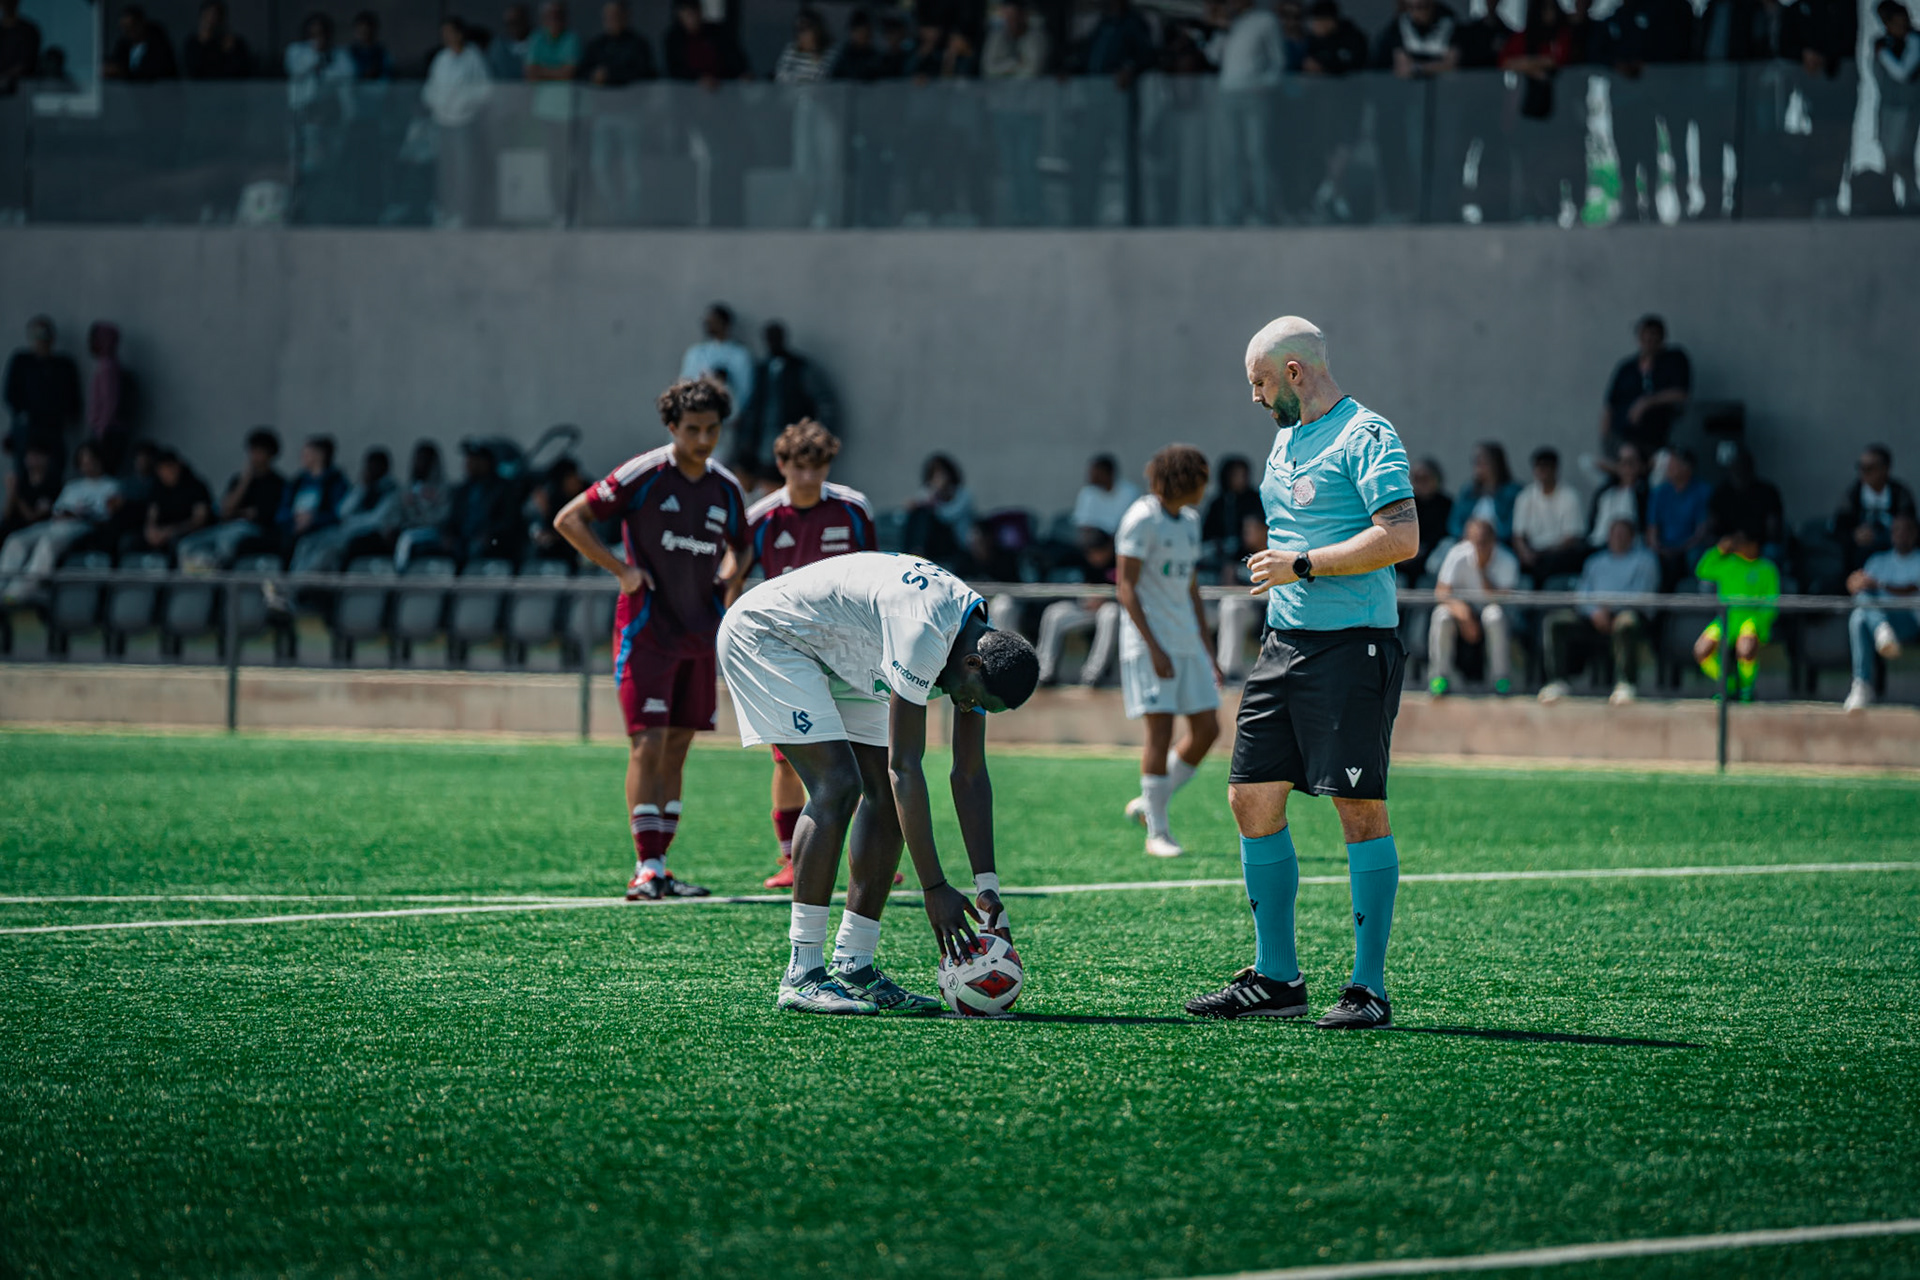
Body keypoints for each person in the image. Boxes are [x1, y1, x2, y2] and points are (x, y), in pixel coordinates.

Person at [1186, 316, 1418, 1030]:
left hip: (1353, 649)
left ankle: (1368, 988)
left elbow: (1402, 537)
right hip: (1283, 646)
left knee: (1360, 812)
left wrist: (1305, 565)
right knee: (1250, 798)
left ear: (1294, 372)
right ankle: (1277, 978)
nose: (1254, 398)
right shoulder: (1285, 438)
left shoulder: (1367, 436)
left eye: (1259, 382)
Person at [715, 550, 1039, 1014]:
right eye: (970, 701)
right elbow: (905, 766)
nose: (966, 708)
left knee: (886, 800)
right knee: (838, 784)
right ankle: (802, 973)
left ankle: (854, 964)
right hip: (770, 636)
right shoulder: (924, 633)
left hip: (842, 647)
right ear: (970, 664)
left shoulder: (979, 646)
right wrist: (934, 889)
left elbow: (969, 774)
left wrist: (988, 887)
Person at [552, 378, 749, 901]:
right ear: (671, 427)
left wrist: (729, 579)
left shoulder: (725, 487)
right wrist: (621, 571)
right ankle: (645, 867)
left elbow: (743, 549)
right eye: (692, 430)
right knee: (648, 744)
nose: (703, 440)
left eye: (711, 430)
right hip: (646, 632)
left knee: (679, 747)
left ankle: (662, 865)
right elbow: (569, 518)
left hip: (699, 634)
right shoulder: (643, 474)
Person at [733, 419, 876, 889]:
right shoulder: (762, 518)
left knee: (857, 753)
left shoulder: (853, 509)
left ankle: (863, 854)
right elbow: (734, 578)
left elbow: (873, 578)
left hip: (846, 652)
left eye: (818, 466)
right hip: (788, 652)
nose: (809, 477)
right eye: (799, 467)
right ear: (782, 465)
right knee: (788, 757)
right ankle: (792, 858)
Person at [1115, 445, 1220, 859]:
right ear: (1183, 480)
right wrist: (1154, 647)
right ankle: (1157, 832)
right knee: (1159, 732)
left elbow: (1191, 586)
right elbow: (1125, 587)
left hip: (1186, 640)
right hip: (1149, 643)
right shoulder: (1141, 519)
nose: (1205, 488)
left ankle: (1148, 802)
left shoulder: (1191, 521)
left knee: (1208, 729)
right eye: (1201, 478)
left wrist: (1206, 645)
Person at [1539, 516, 1659, 706]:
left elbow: (1643, 596)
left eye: (1622, 534)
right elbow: (1582, 595)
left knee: (1626, 623)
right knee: (1556, 622)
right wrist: (1594, 611)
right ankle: (1558, 682)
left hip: (1628, 615)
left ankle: (1626, 685)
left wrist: (1610, 608)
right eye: (1614, 533)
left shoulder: (1645, 561)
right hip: (1594, 617)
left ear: (1632, 537)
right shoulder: (1595, 562)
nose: (1617, 538)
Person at [0, 442, 120, 602]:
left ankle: (21, 591)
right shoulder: (73, 486)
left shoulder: (111, 486)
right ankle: (2, 585)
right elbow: (57, 510)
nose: (87, 465)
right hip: (56, 524)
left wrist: (78, 514)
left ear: (100, 460)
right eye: (83, 461)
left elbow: (105, 514)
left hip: (83, 526)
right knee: (16, 540)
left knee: (47, 543)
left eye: (91, 460)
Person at [1428, 516, 1520, 696]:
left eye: (1484, 542)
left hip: (1492, 608)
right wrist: (1464, 616)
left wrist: (1482, 569)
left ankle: (1500, 679)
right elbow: (1441, 592)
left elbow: (1500, 599)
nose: (1479, 547)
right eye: (1475, 541)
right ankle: (1439, 677)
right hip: (1463, 609)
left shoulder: (1507, 560)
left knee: (1494, 615)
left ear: (1494, 541)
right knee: (1441, 615)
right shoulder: (1457, 554)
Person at [1843, 511, 1920, 712]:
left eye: (1905, 531)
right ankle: (1861, 685)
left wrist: (1878, 584)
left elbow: (1911, 588)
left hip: (1908, 622)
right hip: (1880, 627)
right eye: (1896, 531)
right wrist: (1853, 583)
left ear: (1914, 534)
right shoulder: (1878, 561)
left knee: (1861, 614)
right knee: (1859, 615)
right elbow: (1858, 587)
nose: (1900, 535)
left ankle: (1881, 630)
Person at [1692, 527, 1780, 703]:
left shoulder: (1767, 569)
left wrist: (1760, 625)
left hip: (1751, 619)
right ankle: (1728, 685)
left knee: (1746, 648)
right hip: (1726, 619)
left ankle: (1746, 689)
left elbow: (1772, 605)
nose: (1739, 546)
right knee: (1701, 650)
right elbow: (1702, 570)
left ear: (1754, 544)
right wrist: (1718, 550)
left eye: (1743, 543)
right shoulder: (1729, 563)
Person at [178, 427, 286, 569]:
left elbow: (260, 515)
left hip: (252, 530)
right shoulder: (238, 480)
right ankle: (196, 584)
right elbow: (225, 510)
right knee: (188, 545)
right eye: (252, 451)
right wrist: (245, 481)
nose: (255, 456)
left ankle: (221, 583)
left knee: (226, 543)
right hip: (225, 527)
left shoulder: (277, 483)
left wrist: (239, 514)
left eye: (260, 452)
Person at [422, 17, 494, 228]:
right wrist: (437, 104)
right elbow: (430, 88)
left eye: (450, 32)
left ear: (460, 33)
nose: (447, 37)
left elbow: (485, 89)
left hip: (464, 123)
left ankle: (464, 213)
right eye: (444, 33)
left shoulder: (473, 57)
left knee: (465, 170)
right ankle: (446, 211)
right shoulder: (441, 59)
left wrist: (463, 103)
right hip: (443, 123)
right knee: (446, 171)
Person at [736, 322, 835, 472]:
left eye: (776, 338)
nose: (773, 343)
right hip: (763, 444)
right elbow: (751, 406)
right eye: (770, 339)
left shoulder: (800, 368)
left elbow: (824, 402)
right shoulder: (761, 369)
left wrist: (816, 438)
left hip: (794, 440)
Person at [1600, 315, 1691, 463]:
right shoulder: (1627, 368)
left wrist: (1647, 402)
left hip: (1657, 440)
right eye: (1644, 335)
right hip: (1623, 437)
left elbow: (1681, 394)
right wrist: (1605, 439)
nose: (1648, 340)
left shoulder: (1674, 360)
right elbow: (1610, 405)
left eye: (1653, 335)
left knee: (1662, 464)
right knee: (1591, 462)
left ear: (1662, 337)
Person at [290, 446, 397, 570]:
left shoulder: (391, 491)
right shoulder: (363, 488)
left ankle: (315, 579)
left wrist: (350, 522)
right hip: (346, 530)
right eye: (369, 466)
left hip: (370, 535)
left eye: (375, 466)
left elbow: (377, 520)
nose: (371, 470)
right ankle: (296, 577)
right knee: (308, 541)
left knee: (332, 549)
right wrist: (362, 488)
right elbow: (343, 511)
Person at [4, 316, 81, 472]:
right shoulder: (21, 361)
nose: (41, 342)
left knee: (54, 468)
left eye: (45, 337)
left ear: (52, 339)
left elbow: (72, 395)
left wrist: (66, 415)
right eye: (37, 337)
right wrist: (23, 413)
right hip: (28, 425)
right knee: (25, 470)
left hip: (53, 426)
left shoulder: (63, 365)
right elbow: (10, 392)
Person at [1832, 443, 1916, 574]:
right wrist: (1854, 535)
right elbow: (1839, 526)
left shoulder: (1899, 493)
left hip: (1894, 551)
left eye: (1869, 468)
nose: (1863, 472)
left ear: (1885, 469)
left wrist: (1898, 533)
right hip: (1861, 554)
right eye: (1860, 467)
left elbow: (1910, 522)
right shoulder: (1854, 494)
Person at [1511, 446, 1586, 587]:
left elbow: (1572, 537)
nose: (1542, 472)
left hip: (1558, 555)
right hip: (1532, 554)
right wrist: (1525, 553)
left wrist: (1543, 553)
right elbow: (1518, 535)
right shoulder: (1525, 497)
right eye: (1539, 467)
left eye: (1546, 467)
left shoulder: (1570, 496)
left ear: (1555, 469)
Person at [1706, 443, 1786, 563]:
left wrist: (1748, 539)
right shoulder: (1721, 493)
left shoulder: (1768, 492)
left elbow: (1773, 530)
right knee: (1704, 554)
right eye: (1736, 465)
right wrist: (1731, 540)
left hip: (1758, 543)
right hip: (1728, 543)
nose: (1739, 469)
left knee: (1772, 551)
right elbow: (1712, 527)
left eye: (1743, 464)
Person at [1646, 446, 1712, 588]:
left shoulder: (1703, 491)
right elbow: (1652, 528)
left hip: (1689, 547)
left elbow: (1702, 531)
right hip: (1664, 548)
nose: (1669, 467)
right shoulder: (1659, 492)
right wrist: (1658, 547)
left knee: (1695, 556)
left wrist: (1677, 550)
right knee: (1648, 558)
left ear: (1687, 467)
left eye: (1674, 463)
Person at [678, 303, 754, 426]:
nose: (708, 324)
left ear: (724, 323)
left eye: (713, 321)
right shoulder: (696, 353)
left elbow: (745, 389)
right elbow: (685, 382)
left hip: (725, 420)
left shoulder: (739, 355)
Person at [277, 435, 349, 558]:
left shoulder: (336, 483)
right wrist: (294, 522)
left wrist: (313, 520)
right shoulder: (296, 482)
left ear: (320, 455)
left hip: (323, 535)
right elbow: (282, 511)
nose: (302, 457)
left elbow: (340, 513)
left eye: (307, 453)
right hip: (293, 533)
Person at [901, 452, 974, 571]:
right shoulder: (929, 493)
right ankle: (915, 551)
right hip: (932, 541)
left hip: (955, 541)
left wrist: (937, 499)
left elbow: (949, 516)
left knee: (925, 514)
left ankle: (918, 551)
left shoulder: (963, 495)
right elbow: (915, 505)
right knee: (919, 514)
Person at [138, 449, 214, 560]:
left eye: (168, 468)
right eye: (161, 470)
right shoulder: (157, 488)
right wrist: (150, 531)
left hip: (190, 534)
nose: (165, 473)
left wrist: (170, 531)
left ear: (177, 466)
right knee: (131, 541)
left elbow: (199, 520)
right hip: (162, 533)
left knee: (176, 543)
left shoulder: (196, 486)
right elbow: (152, 515)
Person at [1446, 441, 1519, 544]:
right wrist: (1464, 535)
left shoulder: (1511, 492)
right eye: (1476, 461)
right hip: (1465, 542)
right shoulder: (1468, 491)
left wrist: (1485, 538)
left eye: (1483, 461)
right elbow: (1454, 523)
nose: (1477, 465)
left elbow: (1511, 527)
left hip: (1498, 545)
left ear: (1496, 463)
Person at [662, 0, 748, 82]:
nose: (692, 19)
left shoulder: (716, 33)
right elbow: (675, 69)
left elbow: (733, 60)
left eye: (694, 13)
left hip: (723, 86)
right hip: (687, 90)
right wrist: (698, 78)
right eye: (687, 14)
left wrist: (741, 74)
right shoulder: (673, 39)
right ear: (680, 16)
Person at [1587, 441, 1648, 547]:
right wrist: (1613, 469)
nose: (1627, 466)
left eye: (1631, 462)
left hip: (1630, 547)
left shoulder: (1644, 491)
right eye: (1622, 462)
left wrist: (1645, 468)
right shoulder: (1605, 492)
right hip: (1599, 545)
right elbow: (1585, 462)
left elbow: (1663, 459)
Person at [1402, 457, 1452, 585]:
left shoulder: (1446, 505)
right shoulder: (1406, 505)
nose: (1420, 483)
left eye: (1425, 479)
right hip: (1405, 560)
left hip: (1430, 560)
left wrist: (1421, 550)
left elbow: (1442, 535)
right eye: (1416, 479)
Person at [181, 0, 256, 79]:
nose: (211, 21)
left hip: (229, 88)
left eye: (216, 16)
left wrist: (230, 52)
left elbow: (243, 72)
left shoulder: (235, 43)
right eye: (207, 16)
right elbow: (192, 72)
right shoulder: (193, 43)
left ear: (222, 19)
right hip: (200, 89)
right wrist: (202, 44)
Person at [1071, 453, 1140, 538]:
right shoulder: (1088, 492)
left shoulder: (1129, 492)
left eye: (1096, 473)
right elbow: (1083, 523)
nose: (1091, 476)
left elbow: (1128, 525)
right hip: (1093, 538)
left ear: (1109, 473)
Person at [0, 442, 57, 542]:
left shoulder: (52, 486)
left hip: (34, 531)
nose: (31, 459)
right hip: (11, 528)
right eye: (29, 455)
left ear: (46, 458)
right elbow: (6, 515)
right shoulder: (22, 481)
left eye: (36, 455)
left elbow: (31, 517)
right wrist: (11, 491)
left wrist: (14, 492)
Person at [104, 5, 179, 79]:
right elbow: (116, 62)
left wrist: (123, 72)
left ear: (141, 23)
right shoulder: (123, 45)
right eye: (124, 28)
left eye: (131, 26)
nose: (127, 32)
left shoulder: (158, 45)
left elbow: (155, 73)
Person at [0, 0, 43, 95]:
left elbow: (27, 62)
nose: (6, 5)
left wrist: (6, 77)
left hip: (22, 91)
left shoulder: (28, 31)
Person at [488, 2, 533, 79]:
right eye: (510, 23)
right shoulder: (499, 47)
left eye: (518, 21)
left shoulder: (538, 43)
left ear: (526, 21)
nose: (514, 26)